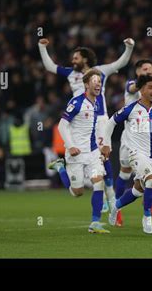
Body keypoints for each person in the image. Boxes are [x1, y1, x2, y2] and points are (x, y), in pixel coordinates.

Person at [39, 37, 135, 212]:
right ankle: (106, 196)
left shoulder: (100, 72)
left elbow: (120, 63)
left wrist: (129, 47)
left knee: (104, 155)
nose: (73, 60)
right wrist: (42, 47)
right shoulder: (71, 73)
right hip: (80, 121)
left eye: (76, 57)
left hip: (100, 119)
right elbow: (49, 67)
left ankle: (109, 197)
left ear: (85, 59)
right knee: (90, 161)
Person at [102, 75, 152, 234]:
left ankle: (115, 206)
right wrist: (106, 144)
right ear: (141, 90)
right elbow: (111, 122)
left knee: (138, 190)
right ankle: (147, 218)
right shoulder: (131, 109)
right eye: (151, 87)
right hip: (136, 153)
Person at [47, 69, 109, 234]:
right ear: (86, 84)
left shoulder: (97, 102)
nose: (98, 84)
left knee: (98, 182)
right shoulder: (77, 102)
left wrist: (101, 146)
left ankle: (95, 223)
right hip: (76, 153)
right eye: (94, 81)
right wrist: (70, 145)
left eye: (100, 81)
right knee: (77, 192)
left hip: (93, 151)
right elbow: (62, 125)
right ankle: (61, 167)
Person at [114, 59, 152, 226]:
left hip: (147, 140)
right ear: (138, 71)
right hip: (130, 139)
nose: (149, 73)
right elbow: (132, 88)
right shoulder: (133, 84)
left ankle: (147, 201)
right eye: (146, 70)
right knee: (125, 173)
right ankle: (117, 209)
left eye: (151, 70)